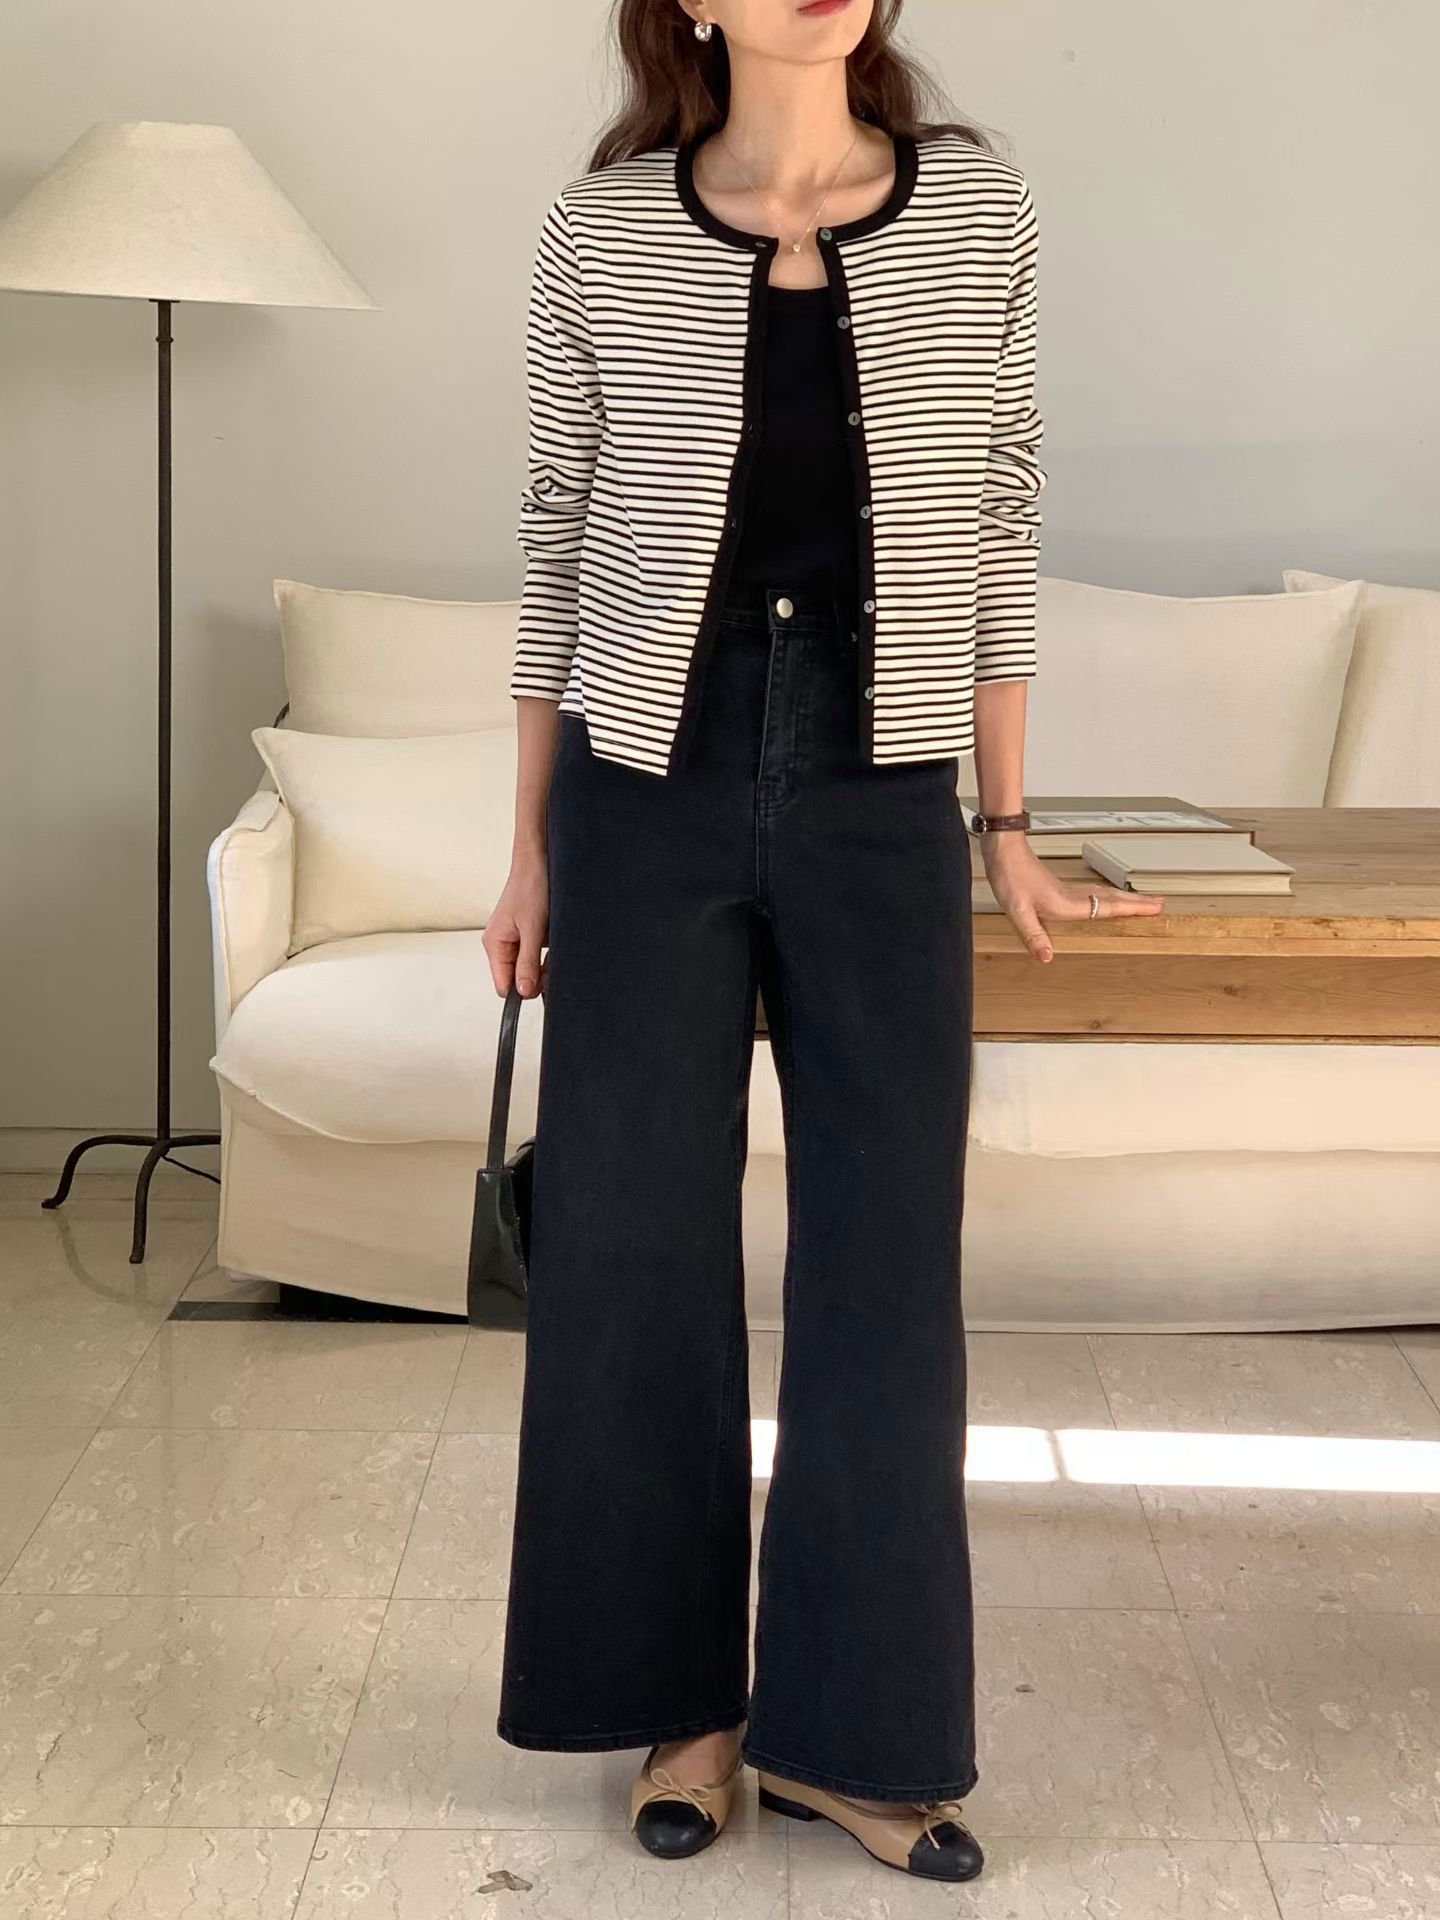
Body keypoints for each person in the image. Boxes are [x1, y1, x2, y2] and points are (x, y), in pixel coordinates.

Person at [483, 0, 1164, 1885]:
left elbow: (1002, 515)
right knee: (632, 1249)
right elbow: (557, 537)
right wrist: (528, 851)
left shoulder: (977, 207)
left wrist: (1005, 827)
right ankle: (679, 1709)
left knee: (885, 1264)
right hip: (649, 777)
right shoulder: (603, 223)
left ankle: (861, 1741)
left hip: (880, 787)